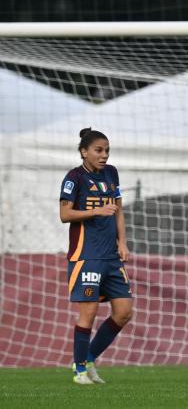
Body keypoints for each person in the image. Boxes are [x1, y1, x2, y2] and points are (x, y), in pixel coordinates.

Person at [59, 128, 133, 385]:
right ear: (84, 152)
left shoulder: (111, 173)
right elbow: (65, 215)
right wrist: (96, 211)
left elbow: (119, 211)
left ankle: (88, 357)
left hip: (111, 256)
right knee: (88, 313)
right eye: (98, 150)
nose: (104, 155)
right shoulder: (74, 177)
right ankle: (80, 372)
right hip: (86, 256)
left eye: (107, 151)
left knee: (124, 311)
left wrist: (122, 243)